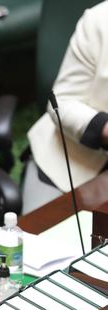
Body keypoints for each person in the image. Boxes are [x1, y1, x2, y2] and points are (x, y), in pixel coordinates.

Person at [23, 1, 108, 214]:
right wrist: (104, 128)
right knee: (41, 240)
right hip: (71, 160)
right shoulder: (99, 20)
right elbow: (62, 101)